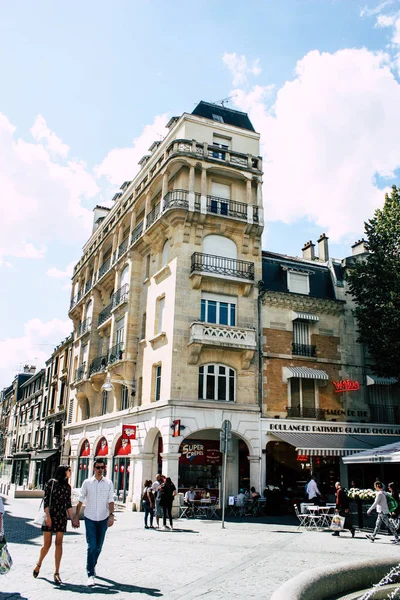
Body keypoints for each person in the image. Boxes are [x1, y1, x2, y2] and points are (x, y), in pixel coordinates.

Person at [73, 458, 115, 586]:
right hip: (90, 517)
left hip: (103, 518)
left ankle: (92, 565)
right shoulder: (87, 482)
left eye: (102, 467)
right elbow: (81, 499)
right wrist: (76, 516)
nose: (100, 470)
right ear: (94, 468)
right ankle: (90, 574)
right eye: (98, 467)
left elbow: (111, 500)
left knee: (98, 547)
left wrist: (111, 515)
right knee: (91, 546)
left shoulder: (108, 483)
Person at [33, 465, 77, 585]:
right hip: (50, 515)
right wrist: (47, 516)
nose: (70, 472)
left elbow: (68, 504)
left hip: (61, 517)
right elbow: (46, 500)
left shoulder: (68, 487)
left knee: (59, 543)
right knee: (47, 545)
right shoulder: (51, 483)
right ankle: (39, 564)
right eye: (69, 470)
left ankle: (57, 572)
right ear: (64, 472)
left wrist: (73, 518)